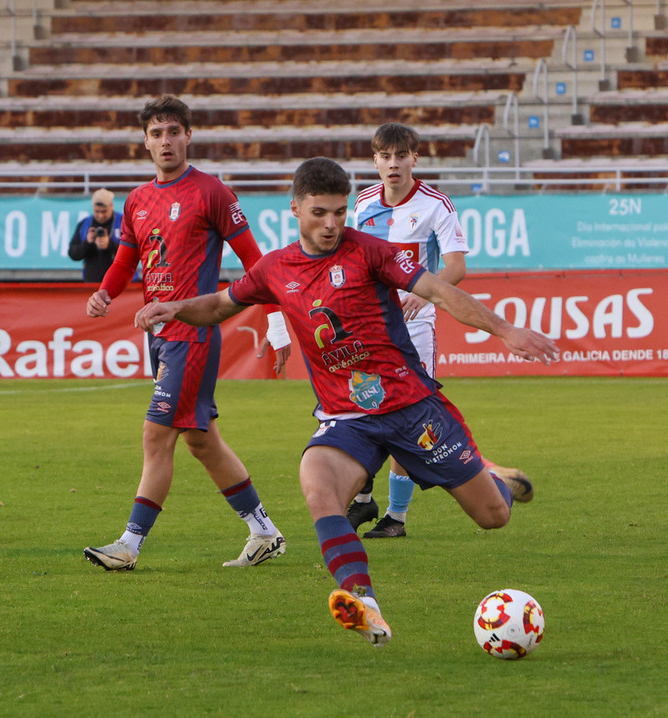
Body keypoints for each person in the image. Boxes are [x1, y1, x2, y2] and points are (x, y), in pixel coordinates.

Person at [134, 157, 558, 646]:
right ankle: (365, 604)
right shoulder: (275, 268)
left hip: (410, 408)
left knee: (492, 517)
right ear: (295, 209)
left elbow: (440, 290)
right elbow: (221, 305)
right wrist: (175, 307)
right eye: (319, 213)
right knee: (317, 486)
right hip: (346, 418)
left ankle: (495, 477)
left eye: (339, 212)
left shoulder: (371, 252)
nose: (332, 224)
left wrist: (505, 330)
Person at [82, 94, 293, 571]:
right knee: (202, 441)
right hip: (158, 337)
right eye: (156, 133)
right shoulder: (137, 199)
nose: (165, 141)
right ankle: (264, 532)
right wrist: (105, 293)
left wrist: (277, 325)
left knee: (156, 436)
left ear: (188, 136)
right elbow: (125, 260)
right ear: (145, 142)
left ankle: (129, 546)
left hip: (193, 334)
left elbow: (256, 265)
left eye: (173, 131)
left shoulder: (212, 193)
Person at [347, 122, 533, 539]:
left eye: (401, 156)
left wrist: (424, 292)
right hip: (369, 324)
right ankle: (363, 498)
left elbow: (456, 267)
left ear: (415, 158)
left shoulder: (436, 205)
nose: (393, 164)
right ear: (375, 160)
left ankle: (395, 516)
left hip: (416, 326)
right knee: (360, 403)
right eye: (385, 156)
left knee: (408, 415)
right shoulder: (361, 203)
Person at [68, 188, 124, 282]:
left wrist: (110, 244)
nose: (100, 215)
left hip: (120, 281)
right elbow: (73, 254)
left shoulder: (123, 222)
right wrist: (87, 243)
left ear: (111, 206)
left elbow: (134, 253)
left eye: (104, 211)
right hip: (92, 282)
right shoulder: (85, 224)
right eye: (97, 211)